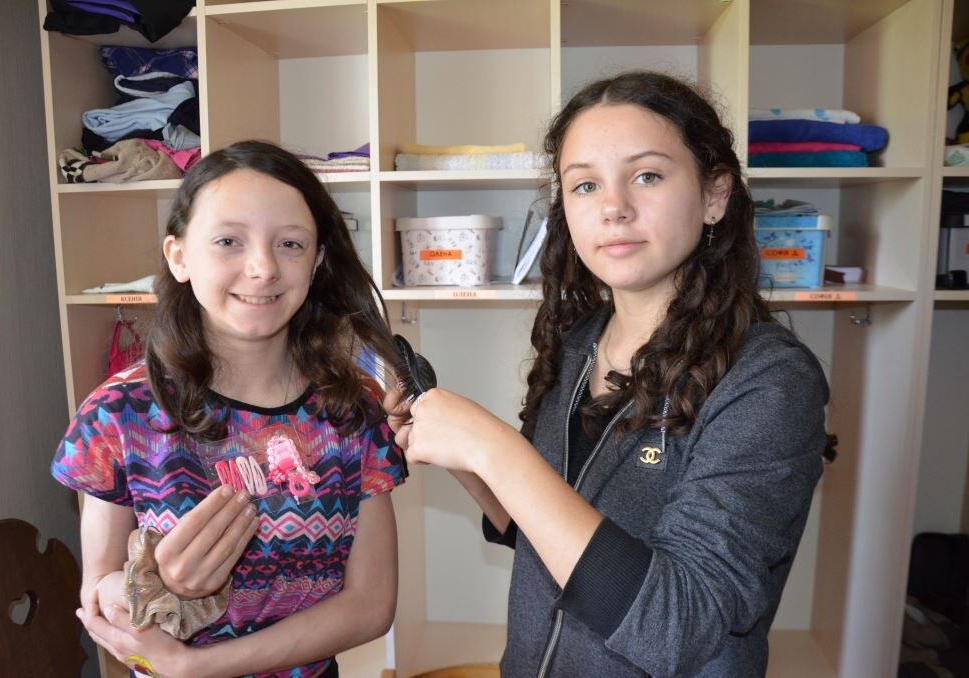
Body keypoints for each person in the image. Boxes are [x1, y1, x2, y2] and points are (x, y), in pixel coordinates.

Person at [387, 71, 829, 677]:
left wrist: (494, 449)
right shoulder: (579, 344)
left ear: (715, 194)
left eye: (647, 175)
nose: (614, 207)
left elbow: (680, 627)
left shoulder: (769, 382)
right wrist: (463, 454)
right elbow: (538, 529)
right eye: (586, 185)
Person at [52, 140, 406, 678]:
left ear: (317, 262)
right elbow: (99, 596)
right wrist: (160, 586)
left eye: (290, 243)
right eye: (228, 241)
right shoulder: (119, 414)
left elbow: (370, 605)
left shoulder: (352, 408)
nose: (263, 268)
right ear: (179, 256)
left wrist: (200, 666)